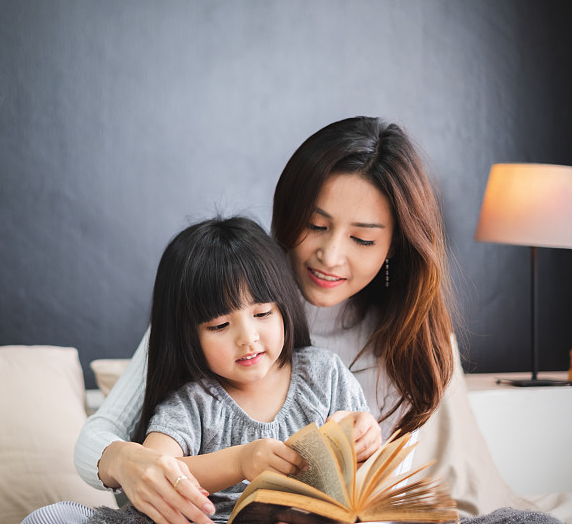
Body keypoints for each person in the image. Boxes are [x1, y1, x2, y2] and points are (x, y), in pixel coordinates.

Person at [71, 116, 456, 524]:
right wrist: (130, 461)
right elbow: (99, 438)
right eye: (315, 225)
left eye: (362, 238)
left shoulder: (389, 350)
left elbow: (377, 501)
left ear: (396, 243)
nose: (330, 255)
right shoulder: (218, 290)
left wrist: (362, 445)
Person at [23, 216, 380, 524]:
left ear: (284, 308)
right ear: (188, 337)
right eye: (220, 326)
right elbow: (157, 466)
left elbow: (362, 469)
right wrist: (240, 462)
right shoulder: (194, 401)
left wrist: (366, 436)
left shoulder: (324, 373)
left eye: (261, 314)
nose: (247, 338)